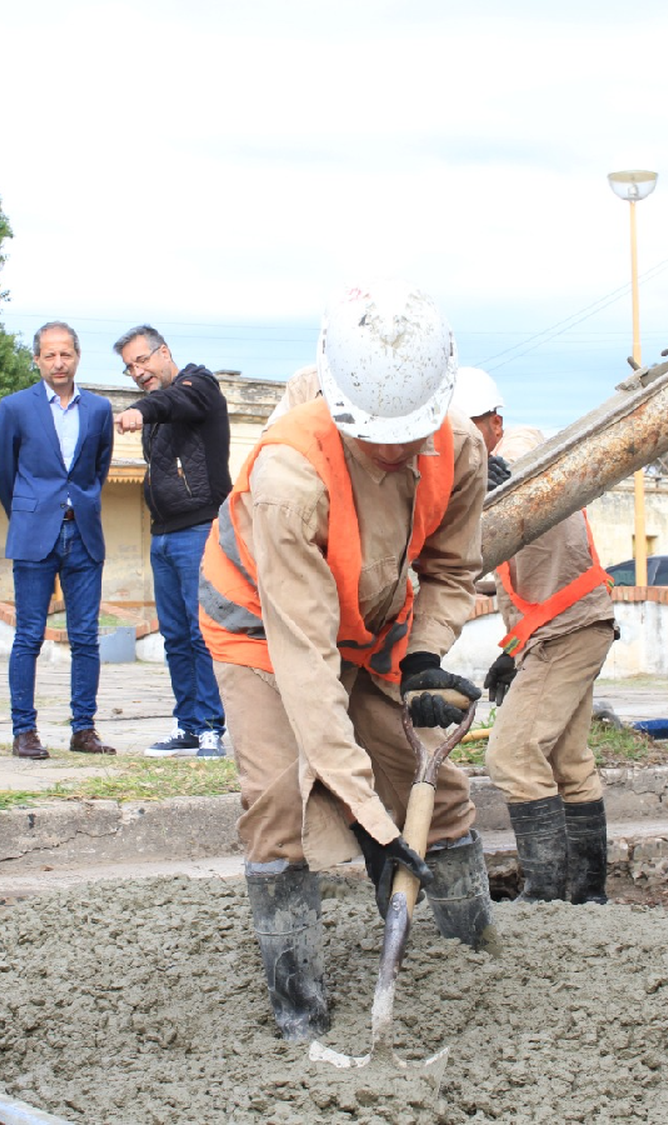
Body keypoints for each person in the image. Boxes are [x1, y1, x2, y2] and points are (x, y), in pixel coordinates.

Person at [199, 282, 493, 1041]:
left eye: (412, 432)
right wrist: (369, 816)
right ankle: (301, 1014)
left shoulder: (459, 447)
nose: (395, 450)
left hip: (374, 624)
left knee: (435, 785)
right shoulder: (288, 479)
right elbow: (304, 664)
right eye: (377, 437)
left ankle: (475, 962)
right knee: (277, 798)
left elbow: (454, 569)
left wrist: (426, 653)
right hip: (262, 630)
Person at [452, 367, 618, 905]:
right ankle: (587, 896)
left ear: (494, 423)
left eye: (471, 430)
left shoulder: (522, 452)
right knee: (567, 761)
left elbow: (532, 448)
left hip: (571, 629)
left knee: (513, 754)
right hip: (561, 631)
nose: (462, 443)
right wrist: (511, 652)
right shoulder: (484, 494)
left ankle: (545, 894)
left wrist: (507, 474)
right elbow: (503, 581)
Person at [0, 322, 116, 759]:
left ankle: (84, 729)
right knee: (28, 635)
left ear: (77, 356)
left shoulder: (99, 409)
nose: (58, 363)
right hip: (34, 532)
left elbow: (98, 470)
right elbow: (3, 473)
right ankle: (24, 731)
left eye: (65, 354)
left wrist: (77, 504)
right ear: (37, 359)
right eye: (49, 355)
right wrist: (29, 511)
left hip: (83, 531)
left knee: (86, 637)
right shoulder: (15, 407)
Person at [112, 326, 230, 758]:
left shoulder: (199, 386)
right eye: (129, 368)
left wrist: (142, 410)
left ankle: (213, 728)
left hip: (199, 530)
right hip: (162, 535)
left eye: (142, 360)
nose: (137, 372)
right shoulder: (158, 408)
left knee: (202, 634)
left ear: (164, 352)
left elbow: (172, 402)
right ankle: (188, 726)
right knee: (175, 637)